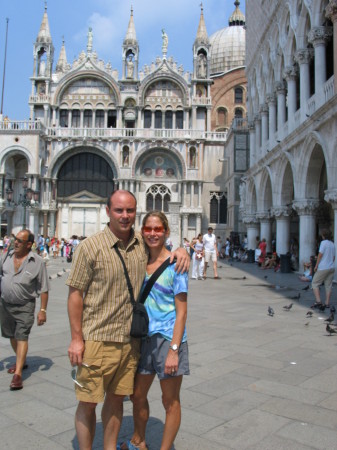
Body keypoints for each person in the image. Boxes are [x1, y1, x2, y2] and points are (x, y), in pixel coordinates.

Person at [66, 190, 189, 450]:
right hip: (97, 339)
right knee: (90, 401)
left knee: (116, 400)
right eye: (119, 210)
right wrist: (77, 339)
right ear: (107, 211)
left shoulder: (141, 247)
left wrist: (181, 250)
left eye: (130, 211)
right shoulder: (92, 247)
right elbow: (75, 294)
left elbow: (162, 250)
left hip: (133, 342)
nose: (125, 216)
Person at [121, 211, 189, 450]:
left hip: (167, 339)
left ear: (166, 231)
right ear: (142, 232)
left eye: (158, 229)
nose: (152, 233)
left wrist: (174, 350)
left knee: (169, 401)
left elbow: (181, 311)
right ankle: (139, 440)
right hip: (142, 339)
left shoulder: (176, 265)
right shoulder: (138, 261)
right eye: (148, 229)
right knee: (137, 395)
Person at [0, 229, 49, 390]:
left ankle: (18, 374)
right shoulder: (6, 256)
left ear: (29, 244)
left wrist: (42, 310)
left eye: (20, 241)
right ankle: (21, 359)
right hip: (5, 304)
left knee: (22, 336)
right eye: (15, 239)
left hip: (25, 306)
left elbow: (44, 288)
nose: (15, 243)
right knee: (11, 335)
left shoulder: (37, 262)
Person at [311, 229, 335, 309]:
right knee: (328, 285)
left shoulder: (323, 243)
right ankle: (327, 303)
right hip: (331, 267)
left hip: (323, 267)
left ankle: (318, 301)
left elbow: (320, 255)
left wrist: (316, 265)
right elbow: (333, 257)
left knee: (315, 283)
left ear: (323, 235)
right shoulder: (332, 244)